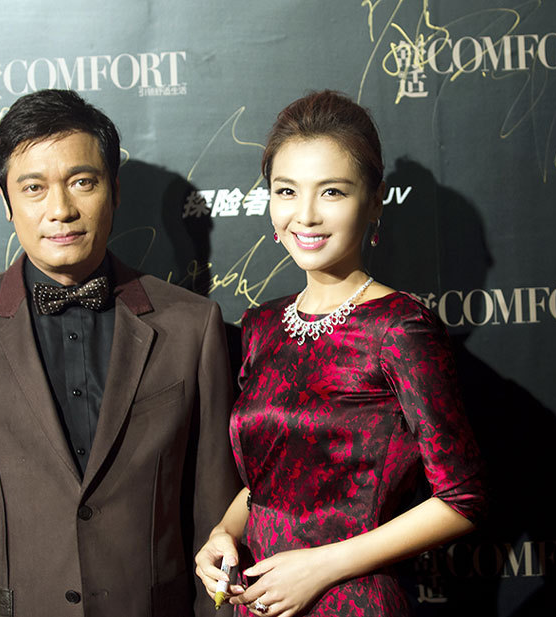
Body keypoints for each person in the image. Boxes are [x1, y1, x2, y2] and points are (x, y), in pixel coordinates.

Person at [0, 89, 240, 617]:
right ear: (6, 201)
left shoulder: (192, 325)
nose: (60, 210)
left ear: (114, 191)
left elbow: (215, 515)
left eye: (82, 182)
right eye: (33, 187)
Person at [194, 91, 486, 616]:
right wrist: (223, 533)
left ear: (374, 201)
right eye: (286, 191)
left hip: (351, 602)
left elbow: (462, 498)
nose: (305, 216)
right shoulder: (261, 325)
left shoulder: (399, 328)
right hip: (257, 601)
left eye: (331, 192)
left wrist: (322, 566)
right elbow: (268, 485)